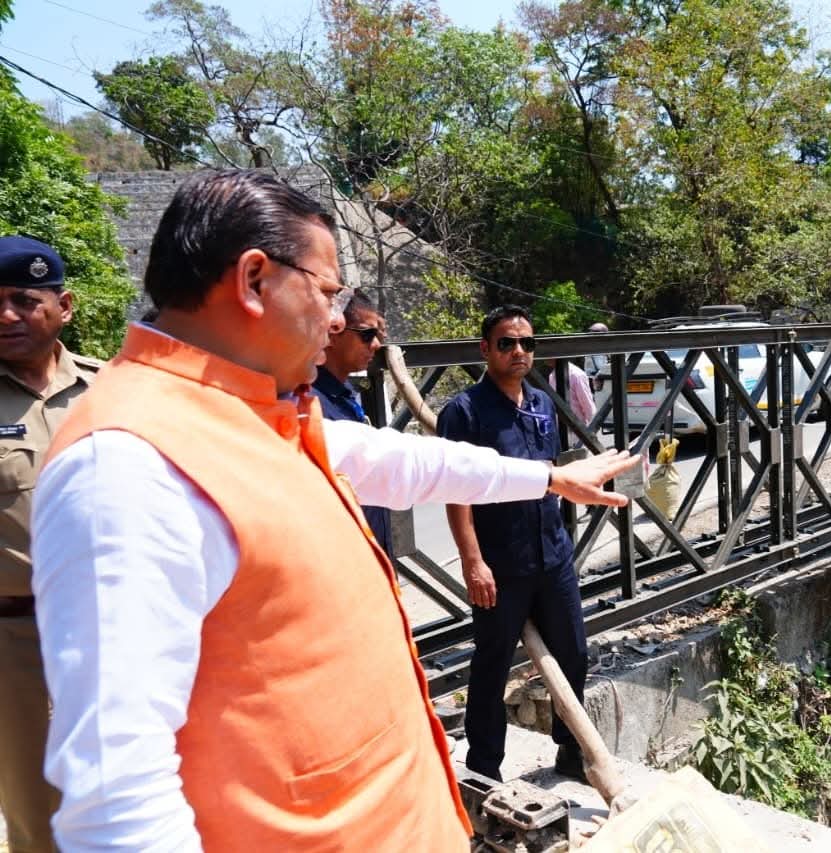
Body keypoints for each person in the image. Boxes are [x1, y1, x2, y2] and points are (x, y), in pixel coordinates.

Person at [30, 170, 638, 852]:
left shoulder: (257, 412)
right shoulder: (126, 466)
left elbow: (401, 462)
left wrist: (551, 478)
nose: (340, 320)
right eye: (326, 292)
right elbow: (118, 804)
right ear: (254, 280)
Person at [437, 306, 590, 784]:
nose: (519, 351)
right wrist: (473, 562)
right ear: (486, 350)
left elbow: (550, 475)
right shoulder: (464, 412)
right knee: (492, 665)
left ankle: (571, 751)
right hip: (500, 564)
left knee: (574, 653)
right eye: (507, 343)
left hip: (552, 555)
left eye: (527, 343)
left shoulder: (542, 403)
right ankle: (484, 770)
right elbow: (456, 493)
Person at [0, 236, 97, 853]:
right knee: (39, 816)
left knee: (132, 792)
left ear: (63, 306)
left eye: (23, 300)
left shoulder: (109, 388)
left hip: (112, 627)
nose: (6, 315)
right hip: (16, 644)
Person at [313, 288, 393, 553]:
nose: (376, 345)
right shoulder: (310, 404)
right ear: (332, 331)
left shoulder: (344, 396)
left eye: (378, 336)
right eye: (367, 335)